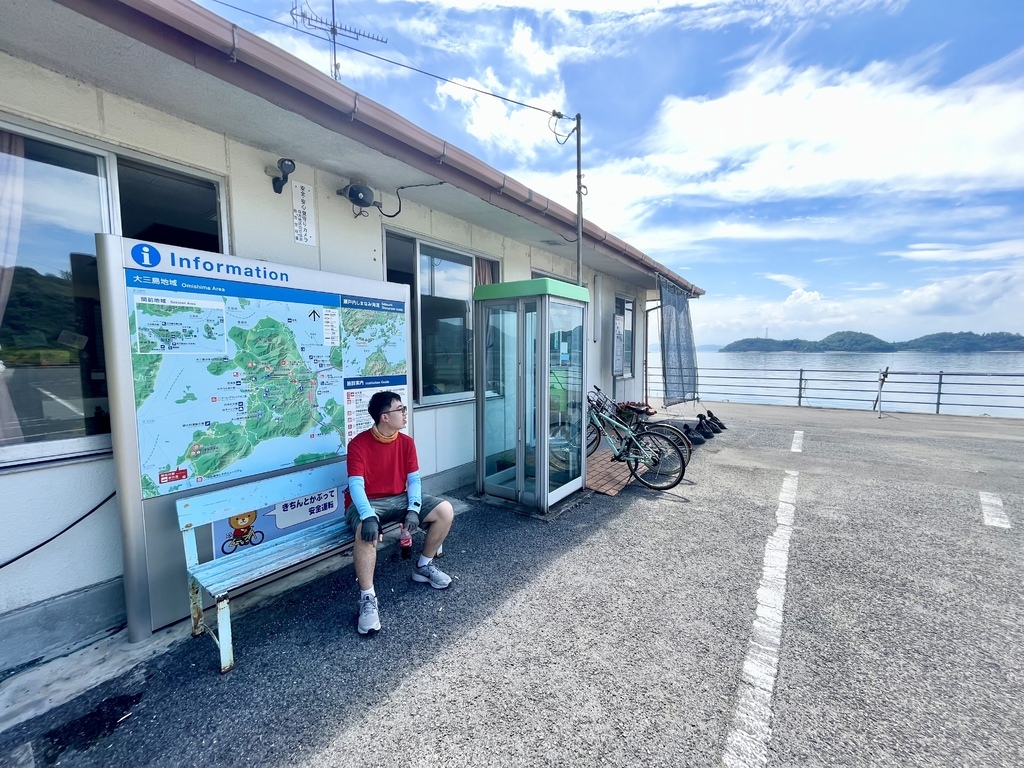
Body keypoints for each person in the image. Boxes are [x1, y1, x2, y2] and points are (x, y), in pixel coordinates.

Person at [344, 391, 454, 636]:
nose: (405, 413)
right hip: (367, 502)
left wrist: (414, 508)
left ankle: (423, 566)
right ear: (384, 417)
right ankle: (367, 598)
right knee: (365, 532)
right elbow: (356, 486)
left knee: (445, 510)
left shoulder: (406, 442)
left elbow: (413, 480)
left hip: (399, 498)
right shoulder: (358, 445)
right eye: (400, 409)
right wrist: (368, 516)